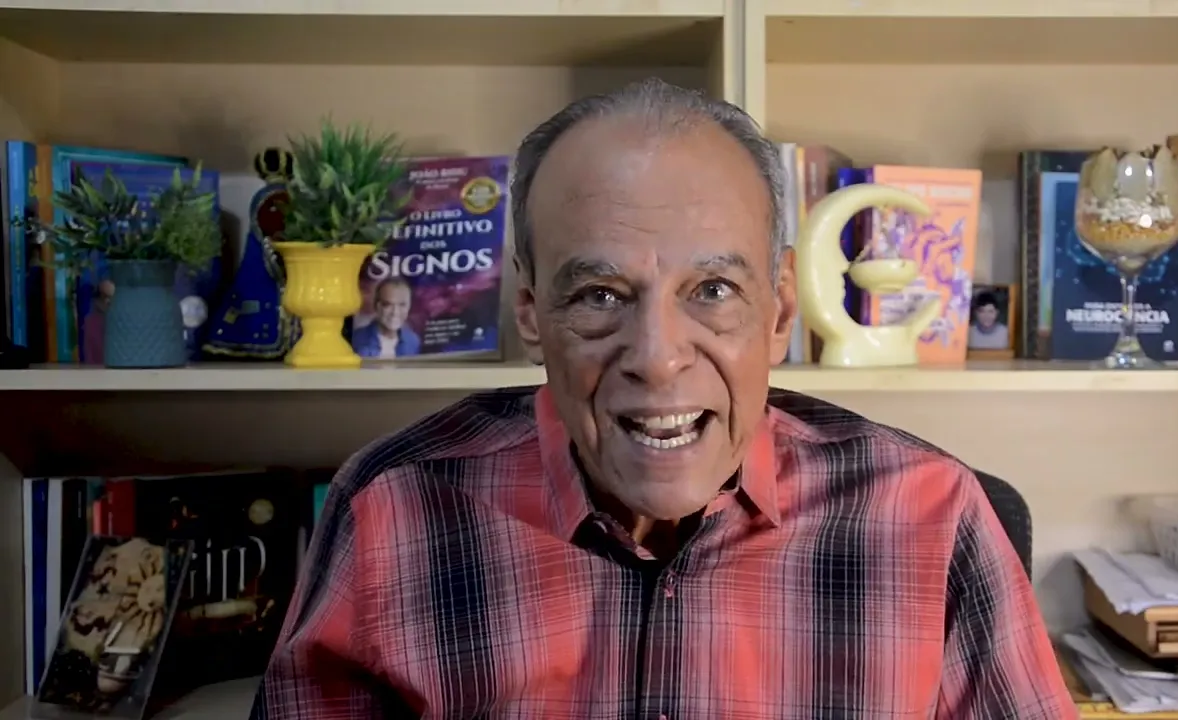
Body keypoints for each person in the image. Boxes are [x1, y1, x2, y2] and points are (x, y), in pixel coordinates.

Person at [251, 79, 1073, 719]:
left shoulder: (933, 519)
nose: (657, 358)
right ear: (531, 313)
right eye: (600, 296)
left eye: (712, 290)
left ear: (780, 310)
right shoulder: (393, 510)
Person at [351, 276, 421, 358]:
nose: (395, 312)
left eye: (402, 305)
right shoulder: (357, 339)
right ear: (376, 306)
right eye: (388, 305)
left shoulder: (413, 341)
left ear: (409, 307)